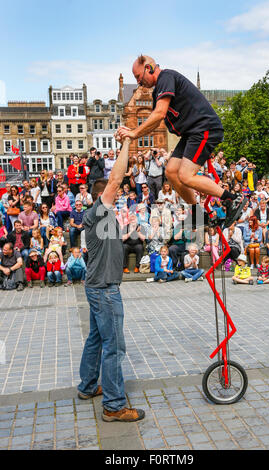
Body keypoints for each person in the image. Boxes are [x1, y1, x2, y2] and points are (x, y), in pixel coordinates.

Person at [116, 54, 246, 230]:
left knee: (185, 175)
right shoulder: (157, 92)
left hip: (204, 127)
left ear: (149, 68)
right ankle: (197, 212)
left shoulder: (166, 77)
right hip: (190, 133)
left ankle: (231, 198)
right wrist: (132, 132)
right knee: (171, 172)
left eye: (139, 77)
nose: (139, 82)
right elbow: (154, 122)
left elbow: (159, 114)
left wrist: (132, 133)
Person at [77, 137, 145, 422]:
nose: (117, 195)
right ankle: (114, 406)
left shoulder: (103, 218)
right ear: (102, 196)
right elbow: (115, 179)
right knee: (114, 346)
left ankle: (88, 386)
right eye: (112, 193)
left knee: (95, 338)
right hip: (104, 290)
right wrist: (128, 144)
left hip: (97, 287)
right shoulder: (98, 211)